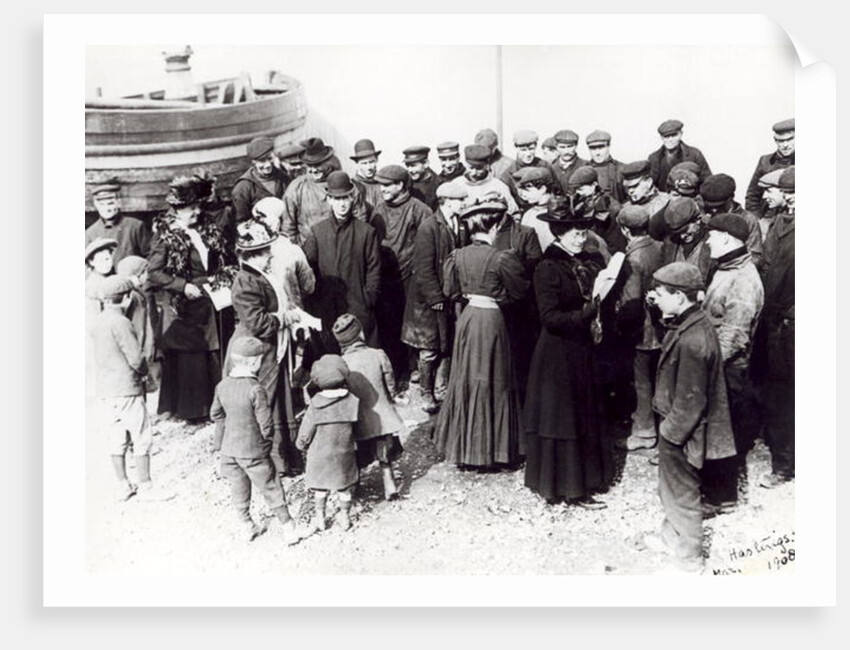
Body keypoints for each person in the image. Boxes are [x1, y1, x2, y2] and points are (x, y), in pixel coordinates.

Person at [641, 262, 736, 572]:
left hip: (683, 430)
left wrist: (670, 432)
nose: (655, 297)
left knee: (682, 491)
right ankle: (672, 534)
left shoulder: (693, 340)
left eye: (660, 293)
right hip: (680, 426)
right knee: (670, 486)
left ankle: (690, 557)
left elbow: (691, 400)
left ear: (680, 298)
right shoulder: (693, 322)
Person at [523, 196, 613, 509]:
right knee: (563, 419)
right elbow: (549, 318)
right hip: (558, 355)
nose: (581, 236)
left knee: (582, 414)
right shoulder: (547, 268)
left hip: (582, 349)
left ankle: (584, 481)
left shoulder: (587, 261)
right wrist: (588, 312)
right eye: (574, 232)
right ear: (559, 233)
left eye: (584, 230)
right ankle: (568, 488)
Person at [433, 196, 528, 470]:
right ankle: (493, 452)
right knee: (494, 379)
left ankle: (466, 450)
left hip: (468, 318)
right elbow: (519, 293)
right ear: (493, 227)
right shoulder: (501, 258)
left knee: (467, 378)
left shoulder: (457, 255)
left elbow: (450, 291)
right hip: (491, 320)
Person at [147, 176, 233, 422]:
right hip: (186, 305)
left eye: (198, 206)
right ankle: (194, 410)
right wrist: (182, 286)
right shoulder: (165, 235)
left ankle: (217, 405)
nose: (197, 211)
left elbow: (223, 257)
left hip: (213, 298)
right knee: (193, 355)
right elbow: (154, 272)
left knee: (216, 349)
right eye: (191, 208)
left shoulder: (208, 226)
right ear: (176, 209)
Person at [225, 219, 303, 478]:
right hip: (256, 351)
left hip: (270, 348)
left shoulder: (260, 274)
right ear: (249, 255)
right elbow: (258, 322)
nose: (269, 254)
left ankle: (282, 460)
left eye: (268, 249)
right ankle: (261, 461)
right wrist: (284, 319)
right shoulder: (245, 281)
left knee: (277, 399)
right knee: (263, 403)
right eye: (263, 251)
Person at [211, 335, 303, 544]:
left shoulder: (222, 386)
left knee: (238, 487)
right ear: (253, 362)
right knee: (270, 485)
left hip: (229, 450)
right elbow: (266, 423)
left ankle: (246, 526)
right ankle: (289, 528)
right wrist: (266, 441)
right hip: (253, 450)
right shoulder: (256, 388)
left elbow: (216, 414)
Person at [701, 213, 764, 514]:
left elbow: (734, 334)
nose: (708, 241)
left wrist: (708, 366)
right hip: (720, 364)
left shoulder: (743, 278)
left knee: (722, 434)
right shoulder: (727, 267)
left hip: (728, 369)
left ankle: (721, 498)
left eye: (711, 236)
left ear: (725, 238)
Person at [92, 275, 174, 502]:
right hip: (127, 387)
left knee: (116, 436)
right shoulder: (121, 322)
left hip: (106, 390)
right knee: (141, 435)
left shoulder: (98, 321)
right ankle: (146, 486)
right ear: (126, 298)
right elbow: (136, 359)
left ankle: (123, 485)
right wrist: (146, 373)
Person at [401, 183, 468, 413]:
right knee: (429, 349)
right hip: (429, 301)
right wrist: (435, 297)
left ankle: (442, 389)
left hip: (450, 297)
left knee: (446, 345)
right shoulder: (429, 228)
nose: (463, 203)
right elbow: (423, 268)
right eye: (460, 200)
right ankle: (427, 392)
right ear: (447, 201)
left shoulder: (460, 224)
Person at [302, 171, 382, 352]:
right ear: (329, 200)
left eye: (345, 198)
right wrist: (316, 301)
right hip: (327, 306)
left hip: (358, 305)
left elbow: (374, 269)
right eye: (337, 199)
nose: (342, 204)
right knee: (330, 353)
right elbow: (308, 269)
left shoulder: (366, 232)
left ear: (353, 197)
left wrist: (369, 298)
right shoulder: (317, 232)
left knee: (361, 352)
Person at [372, 164, 433, 383]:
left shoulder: (419, 210)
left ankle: (414, 368)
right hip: (387, 278)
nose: (382, 189)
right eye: (380, 185)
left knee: (413, 325)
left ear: (400, 185)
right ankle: (395, 371)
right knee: (389, 324)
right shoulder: (378, 210)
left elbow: (429, 245)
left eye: (387, 185)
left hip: (411, 277)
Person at [611, 204, 664, 452]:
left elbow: (631, 303)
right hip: (660, 328)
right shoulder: (658, 247)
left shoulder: (633, 257)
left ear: (624, 229)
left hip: (642, 332)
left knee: (642, 382)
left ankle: (644, 433)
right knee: (657, 379)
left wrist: (620, 327)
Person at [333, 314, 404, 499]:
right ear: (361, 334)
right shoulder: (377, 354)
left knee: (356, 451)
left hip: (356, 417)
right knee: (384, 447)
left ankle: (354, 485)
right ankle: (389, 482)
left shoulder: (342, 364)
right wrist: (391, 397)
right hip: (381, 415)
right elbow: (390, 381)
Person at [757, 167, 795, 489]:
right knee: (782, 394)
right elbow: (768, 266)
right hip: (780, 324)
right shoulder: (778, 225)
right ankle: (784, 465)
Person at [296, 354, 360, 533]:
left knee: (320, 489)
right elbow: (356, 427)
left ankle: (320, 518)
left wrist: (300, 444)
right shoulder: (352, 402)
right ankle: (345, 517)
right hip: (343, 453)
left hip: (319, 455)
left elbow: (306, 432)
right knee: (344, 488)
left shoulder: (315, 405)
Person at [282, 139, 371, 246]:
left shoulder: (344, 183)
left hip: (342, 248)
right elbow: (288, 229)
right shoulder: (296, 188)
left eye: (318, 164)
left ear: (327, 161)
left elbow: (360, 218)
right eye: (310, 165)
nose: (314, 170)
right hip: (308, 251)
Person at [251, 197, 316, 310]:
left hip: (260, 316)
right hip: (292, 315)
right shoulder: (292, 250)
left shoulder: (248, 252)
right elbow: (308, 287)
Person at [699, 173, 763, 270]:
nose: (714, 210)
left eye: (719, 205)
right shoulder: (701, 216)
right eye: (710, 206)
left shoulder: (748, 220)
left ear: (731, 197)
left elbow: (756, 257)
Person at [85, 181, 151, 265]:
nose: (107, 208)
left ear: (118, 202)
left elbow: (150, 257)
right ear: (96, 205)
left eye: (110, 203)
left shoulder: (135, 226)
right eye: (102, 204)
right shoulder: (90, 234)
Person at [231, 136, 290, 225]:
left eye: (270, 159)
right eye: (262, 161)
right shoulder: (243, 188)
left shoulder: (283, 178)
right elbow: (240, 223)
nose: (268, 165)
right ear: (253, 162)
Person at [745, 119, 795, 222]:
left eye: (789, 139)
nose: (785, 145)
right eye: (780, 141)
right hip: (769, 217)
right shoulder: (765, 161)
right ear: (775, 140)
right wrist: (757, 221)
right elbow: (752, 196)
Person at [569, 165, 625, 254]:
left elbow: (617, 244)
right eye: (575, 190)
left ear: (594, 184)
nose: (578, 193)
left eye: (580, 189)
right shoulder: (579, 203)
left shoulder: (612, 209)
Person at [115, 255, 156, 378]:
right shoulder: (135, 297)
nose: (147, 276)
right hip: (139, 350)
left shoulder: (132, 295)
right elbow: (140, 328)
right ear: (137, 275)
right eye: (144, 272)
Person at [448, 144, 519, 214]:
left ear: (487, 165)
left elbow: (514, 214)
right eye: (471, 168)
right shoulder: (456, 185)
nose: (474, 173)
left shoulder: (499, 186)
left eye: (479, 169)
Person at [648, 120, 712, 192]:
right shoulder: (654, 158)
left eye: (674, 135)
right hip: (664, 200)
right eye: (666, 136)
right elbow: (650, 184)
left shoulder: (695, 154)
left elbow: (707, 181)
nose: (670, 140)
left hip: (689, 199)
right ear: (661, 137)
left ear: (681, 134)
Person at [659, 197, 713, 281]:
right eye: (677, 233)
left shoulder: (714, 242)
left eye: (685, 230)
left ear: (697, 220)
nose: (682, 236)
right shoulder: (670, 241)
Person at [499, 130, 553, 207]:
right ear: (515, 147)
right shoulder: (507, 175)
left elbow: (556, 192)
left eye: (531, 149)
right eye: (523, 150)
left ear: (536, 146)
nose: (528, 154)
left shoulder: (545, 166)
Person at [585, 130, 626, 203]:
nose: (597, 153)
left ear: (609, 146)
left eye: (601, 148)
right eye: (593, 148)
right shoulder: (583, 170)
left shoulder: (622, 169)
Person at [551, 129, 588, 196]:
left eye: (570, 146)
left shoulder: (586, 166)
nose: (566, 151)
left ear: (576, 146)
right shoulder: (551, 168)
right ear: (556, 147)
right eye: (562, 147)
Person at [404, 145, 441, 211]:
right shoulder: (404, 183)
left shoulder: (440, 185)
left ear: (426, 163)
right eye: (407, 166)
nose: (410, 170)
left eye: (413, 166)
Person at [350, 138, 384, 208]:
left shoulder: (384, 183)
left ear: (377, 160)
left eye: (371, 162)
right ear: (357, 164)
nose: (369, 167)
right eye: (364, 163)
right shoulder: (352, 186)